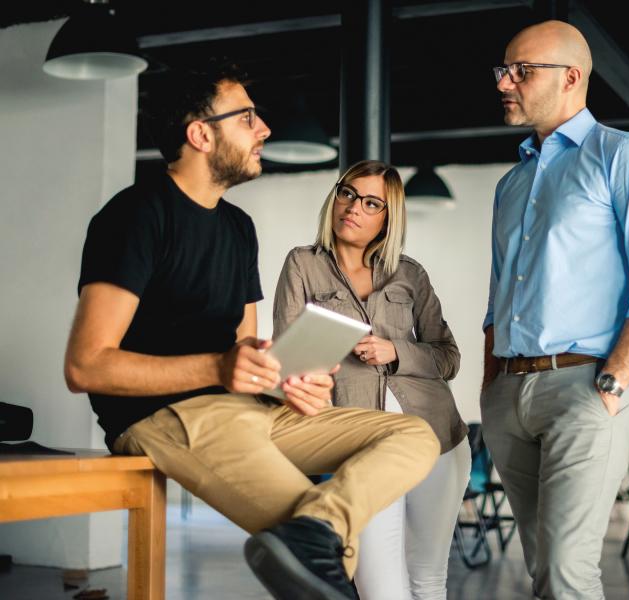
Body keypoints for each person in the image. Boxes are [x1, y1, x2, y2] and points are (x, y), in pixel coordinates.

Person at [63, 66, 439, 600]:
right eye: (247, 118)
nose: (263, 129)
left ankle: (319, 528)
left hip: (251, 413)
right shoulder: (134, 216)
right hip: (168, 418)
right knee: (324, 575)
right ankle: (317, 542)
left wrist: (282, 381)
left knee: (411, 434)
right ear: (201, 134)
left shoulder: (239, 229)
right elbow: (85, 366)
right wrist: (217, 368)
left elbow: (246, 351)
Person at [481, 20, 629, 599]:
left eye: (522, 70)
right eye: (504, 69)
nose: (505, 82)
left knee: (569, 571)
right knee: (543, 567)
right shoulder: (512, 183)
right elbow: (499, 295)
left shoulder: (624, 155)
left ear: (572, 77)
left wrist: (613, 383)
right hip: (509, 394)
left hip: (586, 387)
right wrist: (490, 385)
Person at [273, 159, 471, 600]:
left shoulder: (410, 274)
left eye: (370, 202)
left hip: (437, 436)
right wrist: (310, 369)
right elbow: (288, 362)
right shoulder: (303, 265)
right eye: (347, 193)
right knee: (380, 588)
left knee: (428, 579)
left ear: (388, 216)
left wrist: (396, 350)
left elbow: (449, 357)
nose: (353, 207)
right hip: (365, 448)